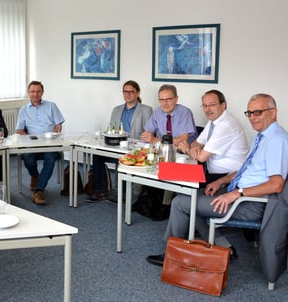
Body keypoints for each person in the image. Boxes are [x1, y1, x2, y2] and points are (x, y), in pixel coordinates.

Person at [147, 93, 288, 266]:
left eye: (258, 112)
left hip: (250, 203)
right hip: (236, 189)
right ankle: (225, 248)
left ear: (273, 112)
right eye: (249, 113)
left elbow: (277, 184)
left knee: (180, 203)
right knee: (191, 198)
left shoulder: (277, 140)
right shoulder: (263, 136)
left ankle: (171, 255)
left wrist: (237, 193)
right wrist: (221, 182)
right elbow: (244, 169)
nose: (252, 118)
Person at [89, 80, 152, 202]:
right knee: (97, 156)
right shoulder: (116, 110)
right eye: (125, 92)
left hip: (135, 150)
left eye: (131, 92)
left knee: (122, 160)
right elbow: (111, 130)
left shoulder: (146, 110)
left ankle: (122, 194)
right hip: (116, 146)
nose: (127, 94)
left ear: (138, 93)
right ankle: (100, 191)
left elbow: (148, 133)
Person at [176, 90, 248, 185]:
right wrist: (194, 149)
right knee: (173, 172)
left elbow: (201, 158)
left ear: (223, 105)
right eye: (205, 106)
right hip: (211, 171)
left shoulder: (225, 124)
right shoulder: (214, 121)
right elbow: (196, 143)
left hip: (228, 177)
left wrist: (186, 150)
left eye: (212, 105)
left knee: (177, 177)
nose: (207, 109)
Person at [15, 81, 65, 205]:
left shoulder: (52, 106)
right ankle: (35, 176)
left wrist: (56, 131)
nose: (35, 94)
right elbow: (19, 130)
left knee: (50, 158)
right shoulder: (23, 110)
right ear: (28, 93)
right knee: (28, 158)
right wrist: (29, 138)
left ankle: (39, 190)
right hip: (32, 144)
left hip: (50, 143)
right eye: (32, 91)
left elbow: (58, 124)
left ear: (42, 92)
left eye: (38, 91)